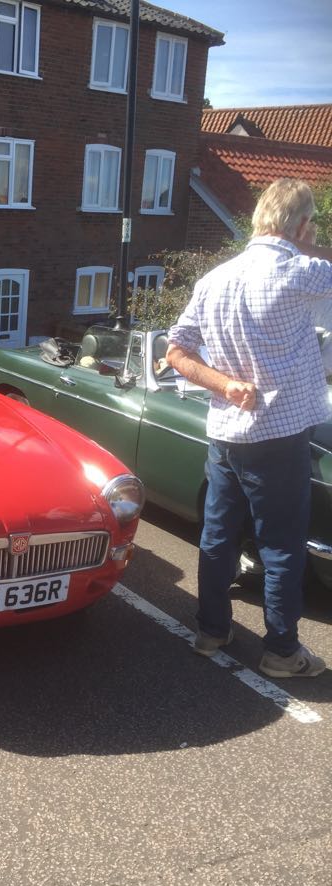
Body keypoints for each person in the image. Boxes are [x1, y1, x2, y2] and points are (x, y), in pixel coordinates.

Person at [166, 177, 331, 679]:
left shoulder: (215, 278)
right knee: (281, 545)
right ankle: (282, 652)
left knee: (218, 537)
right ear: (304, 225)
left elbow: (175, 350)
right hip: (278, 438)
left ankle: (211, 631)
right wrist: (308, 243)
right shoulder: (304, 272)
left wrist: (224, 384)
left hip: (226, 436)